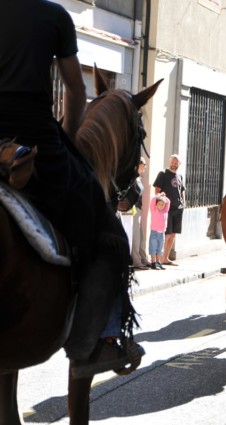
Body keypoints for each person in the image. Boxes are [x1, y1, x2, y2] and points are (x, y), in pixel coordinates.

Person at [0, 0, 143, 378]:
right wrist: (66, 143)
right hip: (34, 138)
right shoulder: (53, 16)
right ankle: (98, 342)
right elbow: (76, 93)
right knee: (108, 233)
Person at [153, 154, 186, 266]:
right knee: (166, 235)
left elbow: (182, 191)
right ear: (169, 162)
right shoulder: (163, 174)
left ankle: (165, 258)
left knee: (172, 235)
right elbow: (157, 189)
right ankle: (159, 259)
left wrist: (183, 203)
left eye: (176, 163)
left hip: (178, 209)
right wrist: (159, 204)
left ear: (179, 164)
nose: (174, 164)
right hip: (166, 209)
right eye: (173, 162)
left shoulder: (180, 176)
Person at [129, 158, 152, 270]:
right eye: (144, 164)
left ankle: (143, 257)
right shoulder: (131, 177)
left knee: (141, 235)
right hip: (132, 210)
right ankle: (136, 261)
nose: (145, 166)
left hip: (138, 209)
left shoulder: (138, 177)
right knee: (136, 236)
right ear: (137, 164)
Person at [148, 194, 170, 270]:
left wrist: (164, 197)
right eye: (159, 204)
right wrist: (158, 196)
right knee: (153, 247)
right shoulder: (153, 209)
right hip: (154, 232)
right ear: (156, 204)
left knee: (160, 249)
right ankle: (153, 263)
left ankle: (158, 262)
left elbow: (168, 202)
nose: (161, 206)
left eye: (163, 204)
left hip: (162, 233)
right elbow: (153, 200)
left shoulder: (165, 211)